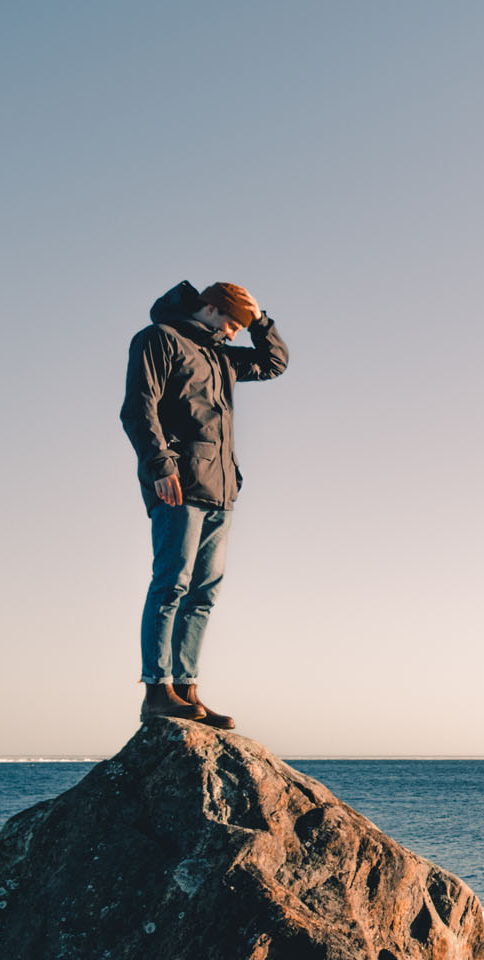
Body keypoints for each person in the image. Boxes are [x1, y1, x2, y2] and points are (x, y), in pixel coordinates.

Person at [119, 280, 288, 728]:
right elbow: (139, 409)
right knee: (171, 584)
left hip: (222, 488)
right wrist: (161, 466)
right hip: (177, 483)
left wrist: (261, 319)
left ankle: (187, 690)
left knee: (204, 593)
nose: (234, 333)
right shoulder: (159, 340)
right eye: (233, 322)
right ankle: (158, 692)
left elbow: (274, 363)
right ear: (210, 307)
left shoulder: (220, 355)